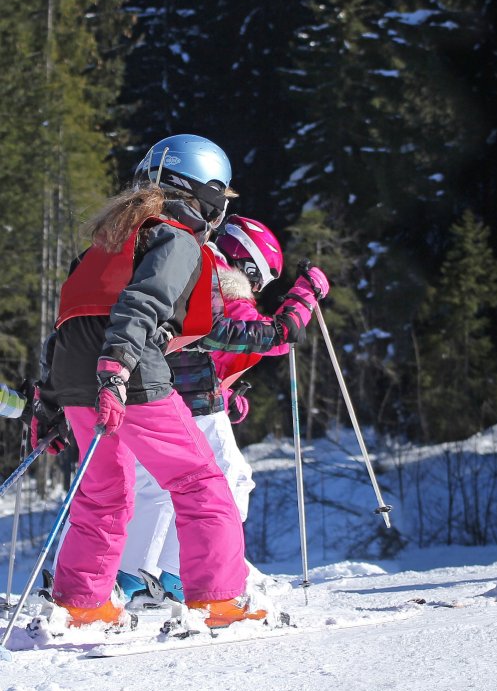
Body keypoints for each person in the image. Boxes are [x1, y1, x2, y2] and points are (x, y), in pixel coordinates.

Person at [40, 133, 269, 629]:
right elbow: (144, 302)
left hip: (75, 365)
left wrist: (49, 400)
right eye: (219, 202)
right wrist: (118, 365)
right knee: (200, 480)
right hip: (126, 362)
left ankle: (82, 602)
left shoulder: (108, 237)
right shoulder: (174, 236)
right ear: (204, 195)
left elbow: (69, 315)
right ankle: (219, 600)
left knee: (104, 490)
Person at [118, 215, 329, 602]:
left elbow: (200, 345)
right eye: (258, 282)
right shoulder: (225, 285)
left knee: (157, 485)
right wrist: (305, 297)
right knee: (230, 479)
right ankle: (185, 574)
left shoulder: (190, 263)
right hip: (190, 400)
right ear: (248, 266)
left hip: (156, 391)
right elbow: (269, 337)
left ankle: (133, 574)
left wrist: (225, 390)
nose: (255, 291)